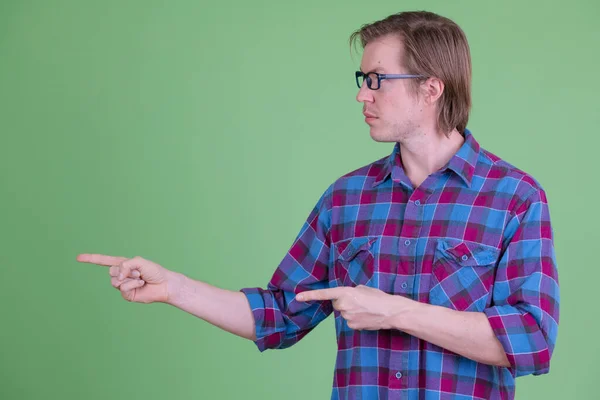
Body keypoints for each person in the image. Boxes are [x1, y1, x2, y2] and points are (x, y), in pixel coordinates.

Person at [77, 10, 560, 400]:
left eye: (376, 80)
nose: (360, 94)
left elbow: (532, 340)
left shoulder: (514, 197)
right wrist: (174, 288)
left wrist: (393, 311)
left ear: (431, 88)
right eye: (361, 78)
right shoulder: (346, 198)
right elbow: (281, 315)